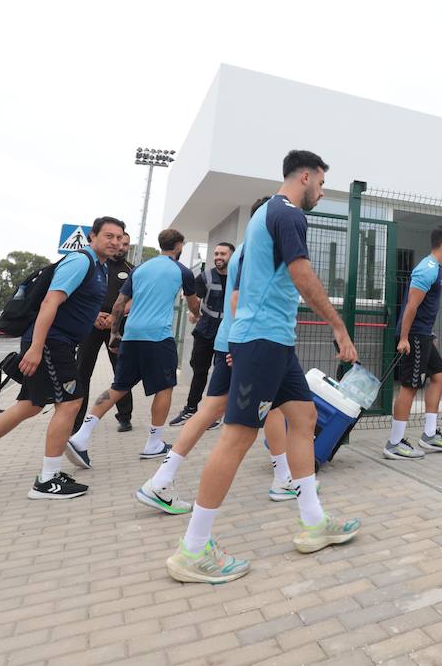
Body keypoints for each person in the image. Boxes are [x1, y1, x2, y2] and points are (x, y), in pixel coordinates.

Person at [166, 150, 361, 584]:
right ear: (305, 176)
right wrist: (339, 327)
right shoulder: (288, 214)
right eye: (322, 183)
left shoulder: (262, 217)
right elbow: (303, 276)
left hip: (274, 340)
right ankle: (193, 550)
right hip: (263, 340)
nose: (322, 192)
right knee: (237, 437)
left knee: (304, 416)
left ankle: (313, 520)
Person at [0, 217, 125, 499]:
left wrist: (93, 317)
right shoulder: (81, 261)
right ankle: (47, 480)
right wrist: (37, 347)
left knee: (29, 405)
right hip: (52, 342)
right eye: (108, 236)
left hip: (57, 342)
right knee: (71, 402)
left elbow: (74, 303)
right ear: (92, 237)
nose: (114, 242)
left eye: (119, 237)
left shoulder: (99, 267)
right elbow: (50, 302)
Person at [138, 198, 302, 514]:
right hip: (242, 343)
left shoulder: (245, 251)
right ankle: (166, 483)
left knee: (266, 409)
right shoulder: (254, 251)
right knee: (229, 420)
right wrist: (243, 349)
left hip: (235, 341)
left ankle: (282, 477)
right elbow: (243, 300)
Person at [64, 229, 201, 468]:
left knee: (119, 386)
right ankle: (154, 444)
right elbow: (193, 303)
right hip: (158, 337)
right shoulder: (182, 271)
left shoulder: (139, 269)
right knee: (165, 387)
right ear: (179, 246)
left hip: (132, 335)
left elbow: (118, 304)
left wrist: (115, 334)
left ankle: (80, 437)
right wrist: (197, 314)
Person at [383, 226, 442, 460]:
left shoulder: (435, 268)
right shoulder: (427, 270)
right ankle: (394, 443)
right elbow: (411, 306)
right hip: (414, 336)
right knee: (410, 385)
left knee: (439, 375)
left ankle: (428, 434)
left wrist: (428, 335)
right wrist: (405, 338)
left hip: (423, 335)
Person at [72, 232, 135, 435]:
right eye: (119, 243)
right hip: (90, 326)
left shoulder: (132, 270)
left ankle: (124, 417)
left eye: (126, 244)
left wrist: (114, 318)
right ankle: (76, 419)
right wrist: (94, 315)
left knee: (121, 372)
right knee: (82, 372)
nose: (121, 247)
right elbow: (79, 293)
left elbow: (136, 298)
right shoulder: (94, 267)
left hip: (116, 329)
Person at [169, 242, 234, 427]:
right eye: (216, 253)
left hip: (229, 333)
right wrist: (194, 313)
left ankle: (215, 414)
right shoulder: (204, 277)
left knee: (224, 374)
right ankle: (191, 410)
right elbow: (194, 302)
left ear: (232, 256)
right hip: (205, 331)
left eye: (223, 254)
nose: (218, 257)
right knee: (199, 371)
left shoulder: (239, 278)